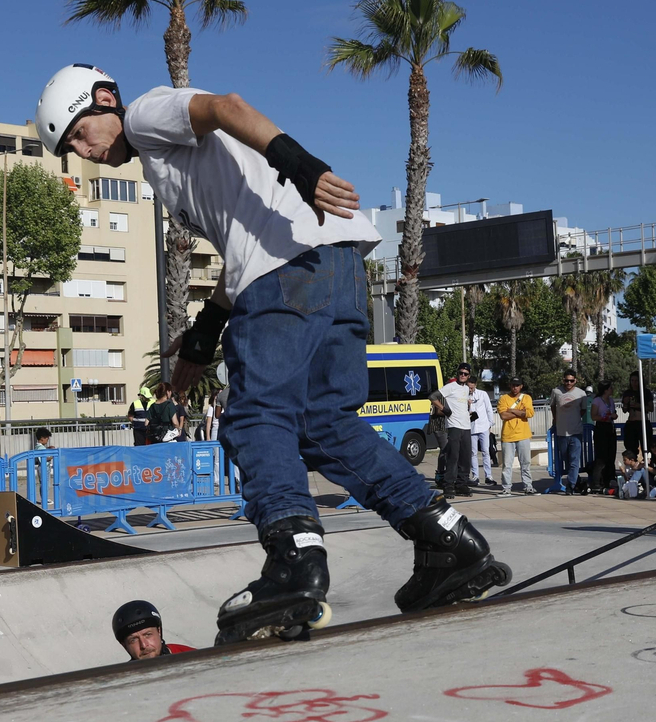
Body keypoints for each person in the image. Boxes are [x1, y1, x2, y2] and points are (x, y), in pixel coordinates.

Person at [36, 65, 510, 641]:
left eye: (81, 134)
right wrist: (206, 332)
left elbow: (225, 106)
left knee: (259, 418)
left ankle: (294, 559)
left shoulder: (145, 115)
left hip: (285, 273)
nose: (85, 153)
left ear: (105, 100)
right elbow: (245, 249)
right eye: (71, 149)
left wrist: (300, 164)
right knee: (325, 425)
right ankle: (447, 540)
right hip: (337, 269)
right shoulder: (168, 168)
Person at [112, 600, 194, 661]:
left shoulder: (191, 656)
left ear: (159, 632)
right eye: (133, 640)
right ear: (124, 645)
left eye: (148, 635)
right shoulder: (123, 679)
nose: (143, 645)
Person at [438, 366, 475, 497]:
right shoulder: (451, 386)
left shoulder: (466, 389)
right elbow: (432, 396)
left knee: (465, 457)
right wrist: (444, 409)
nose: (463, 375)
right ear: (458, 373)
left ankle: (461, 484)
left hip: (466, 426)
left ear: (469, 376)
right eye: (461, 373)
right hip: (454, 426)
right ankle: (448, 485)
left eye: (465, 374)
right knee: (453, 457)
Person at [548, 371, 587, 494]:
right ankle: (577, 480)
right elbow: (553, 406)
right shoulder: (556, 391)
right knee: (566, 460)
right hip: (561, 432)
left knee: (575, 460)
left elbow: (583, 409)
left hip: (575, 431)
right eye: (566, 380)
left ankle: (570, 485)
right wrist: (556, 419)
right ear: (563, 380)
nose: (568, 383)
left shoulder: (581, 393)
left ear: (575, 381)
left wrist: (575, 418)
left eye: (571, 381)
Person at [496, 378, 535, 494]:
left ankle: (528, 486)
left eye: (517, 385)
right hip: (508, 436)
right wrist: (520, 412)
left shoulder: (526, 398)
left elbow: (529, 413)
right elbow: (503, 416)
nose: (515, 387)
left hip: (523, 435)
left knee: (526, 463)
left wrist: (511, 410)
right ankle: (506, 487)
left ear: (521, 386)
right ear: (510, 385)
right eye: (513, 385)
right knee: (507, 464)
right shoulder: (503, 398)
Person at [590, 382, 619, 492]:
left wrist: (614, 415)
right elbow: (593, 416)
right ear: (605, 390)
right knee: (601, 457)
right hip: (601, 428)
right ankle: (596, 482)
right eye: (610, 388)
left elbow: (614, 412)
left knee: (611, 455)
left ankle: (609, 479)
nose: (612, 389)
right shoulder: (597, 401)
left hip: (610, 427)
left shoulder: (611, 400)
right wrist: (603, 416)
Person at [468, 379, 496, 488]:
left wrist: (490, 424)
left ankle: (488, 476)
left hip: (483, 426)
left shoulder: (482, 394)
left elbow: (489, 408)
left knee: (486, 451)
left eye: (472, 387)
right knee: (473, 452)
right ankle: (475, 476)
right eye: (468, 387)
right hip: (471, 427)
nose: (470, 389)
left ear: (475, 385)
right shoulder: (464, 396)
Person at [620, 372, 653, 460]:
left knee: (647, 446)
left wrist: (638, 405)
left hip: (643, 422)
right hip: (631, 422)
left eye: (636, 381)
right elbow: (624, 410)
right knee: (630, 448)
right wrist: (626, 403)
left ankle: (647, 465)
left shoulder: (645, 392)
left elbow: (651, 408)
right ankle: (632, 466)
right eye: (632, 380)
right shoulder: (627, 393)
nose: (634, 383)